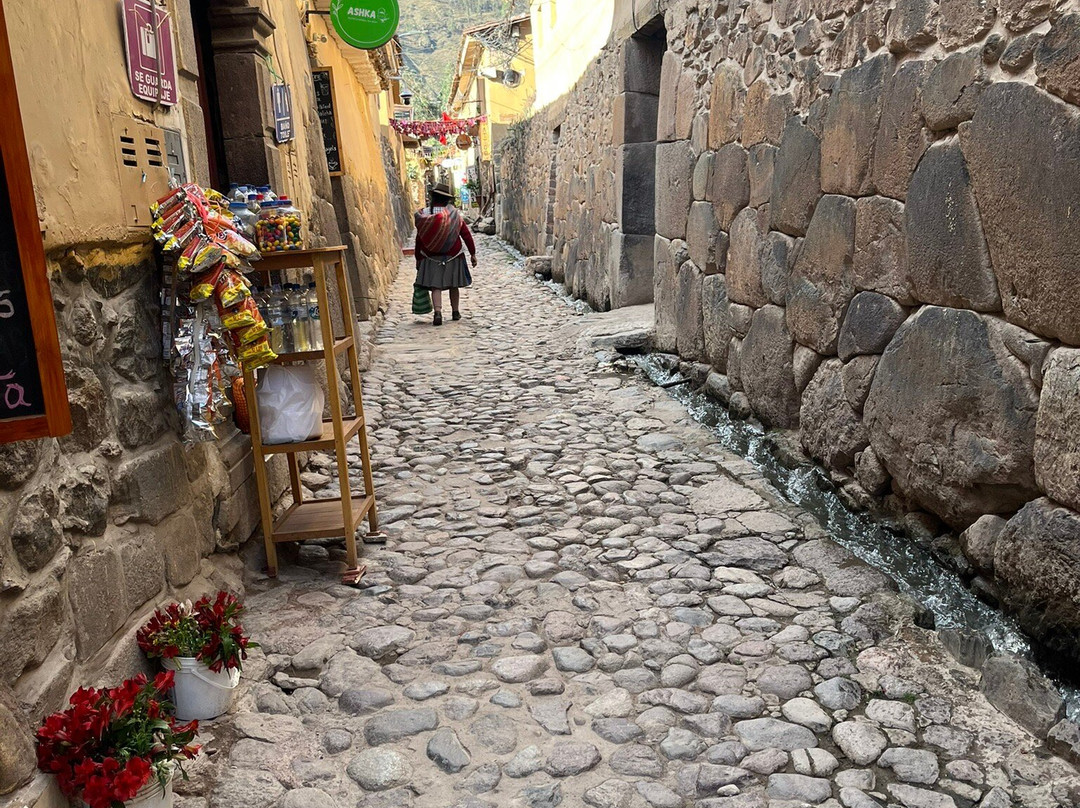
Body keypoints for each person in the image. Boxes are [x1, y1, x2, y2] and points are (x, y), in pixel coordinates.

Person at [414, 182, 478, 326]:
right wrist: (472, 253)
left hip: (430, 256)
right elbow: (466, 235)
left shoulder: (424, 214)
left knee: (435, 286)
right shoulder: (454, 214)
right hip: (453, 255)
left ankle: (438, 312)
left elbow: (419, 238)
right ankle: (455, 311)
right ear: (447, 199)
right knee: (453, 284)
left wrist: (418, 257)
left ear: (433, 197)